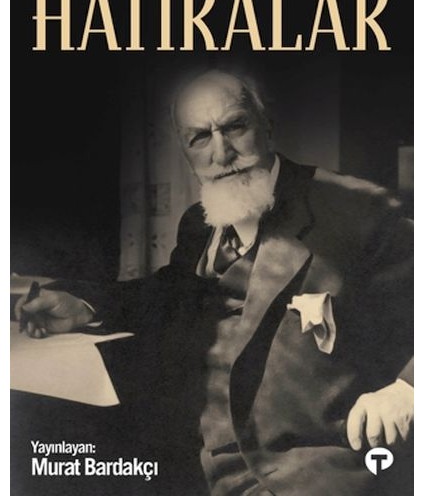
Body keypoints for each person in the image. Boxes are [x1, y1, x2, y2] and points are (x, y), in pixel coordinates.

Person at [13, 70, 413, 495]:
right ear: (186, 152)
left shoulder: (355, 209)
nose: (221, 154)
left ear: (267, 125)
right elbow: (169, 292)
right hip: (201, 470)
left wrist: (408, 390)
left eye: (235, 126)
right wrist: (85, 304)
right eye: (200, 138)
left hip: (313, 473)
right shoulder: (200, 225)